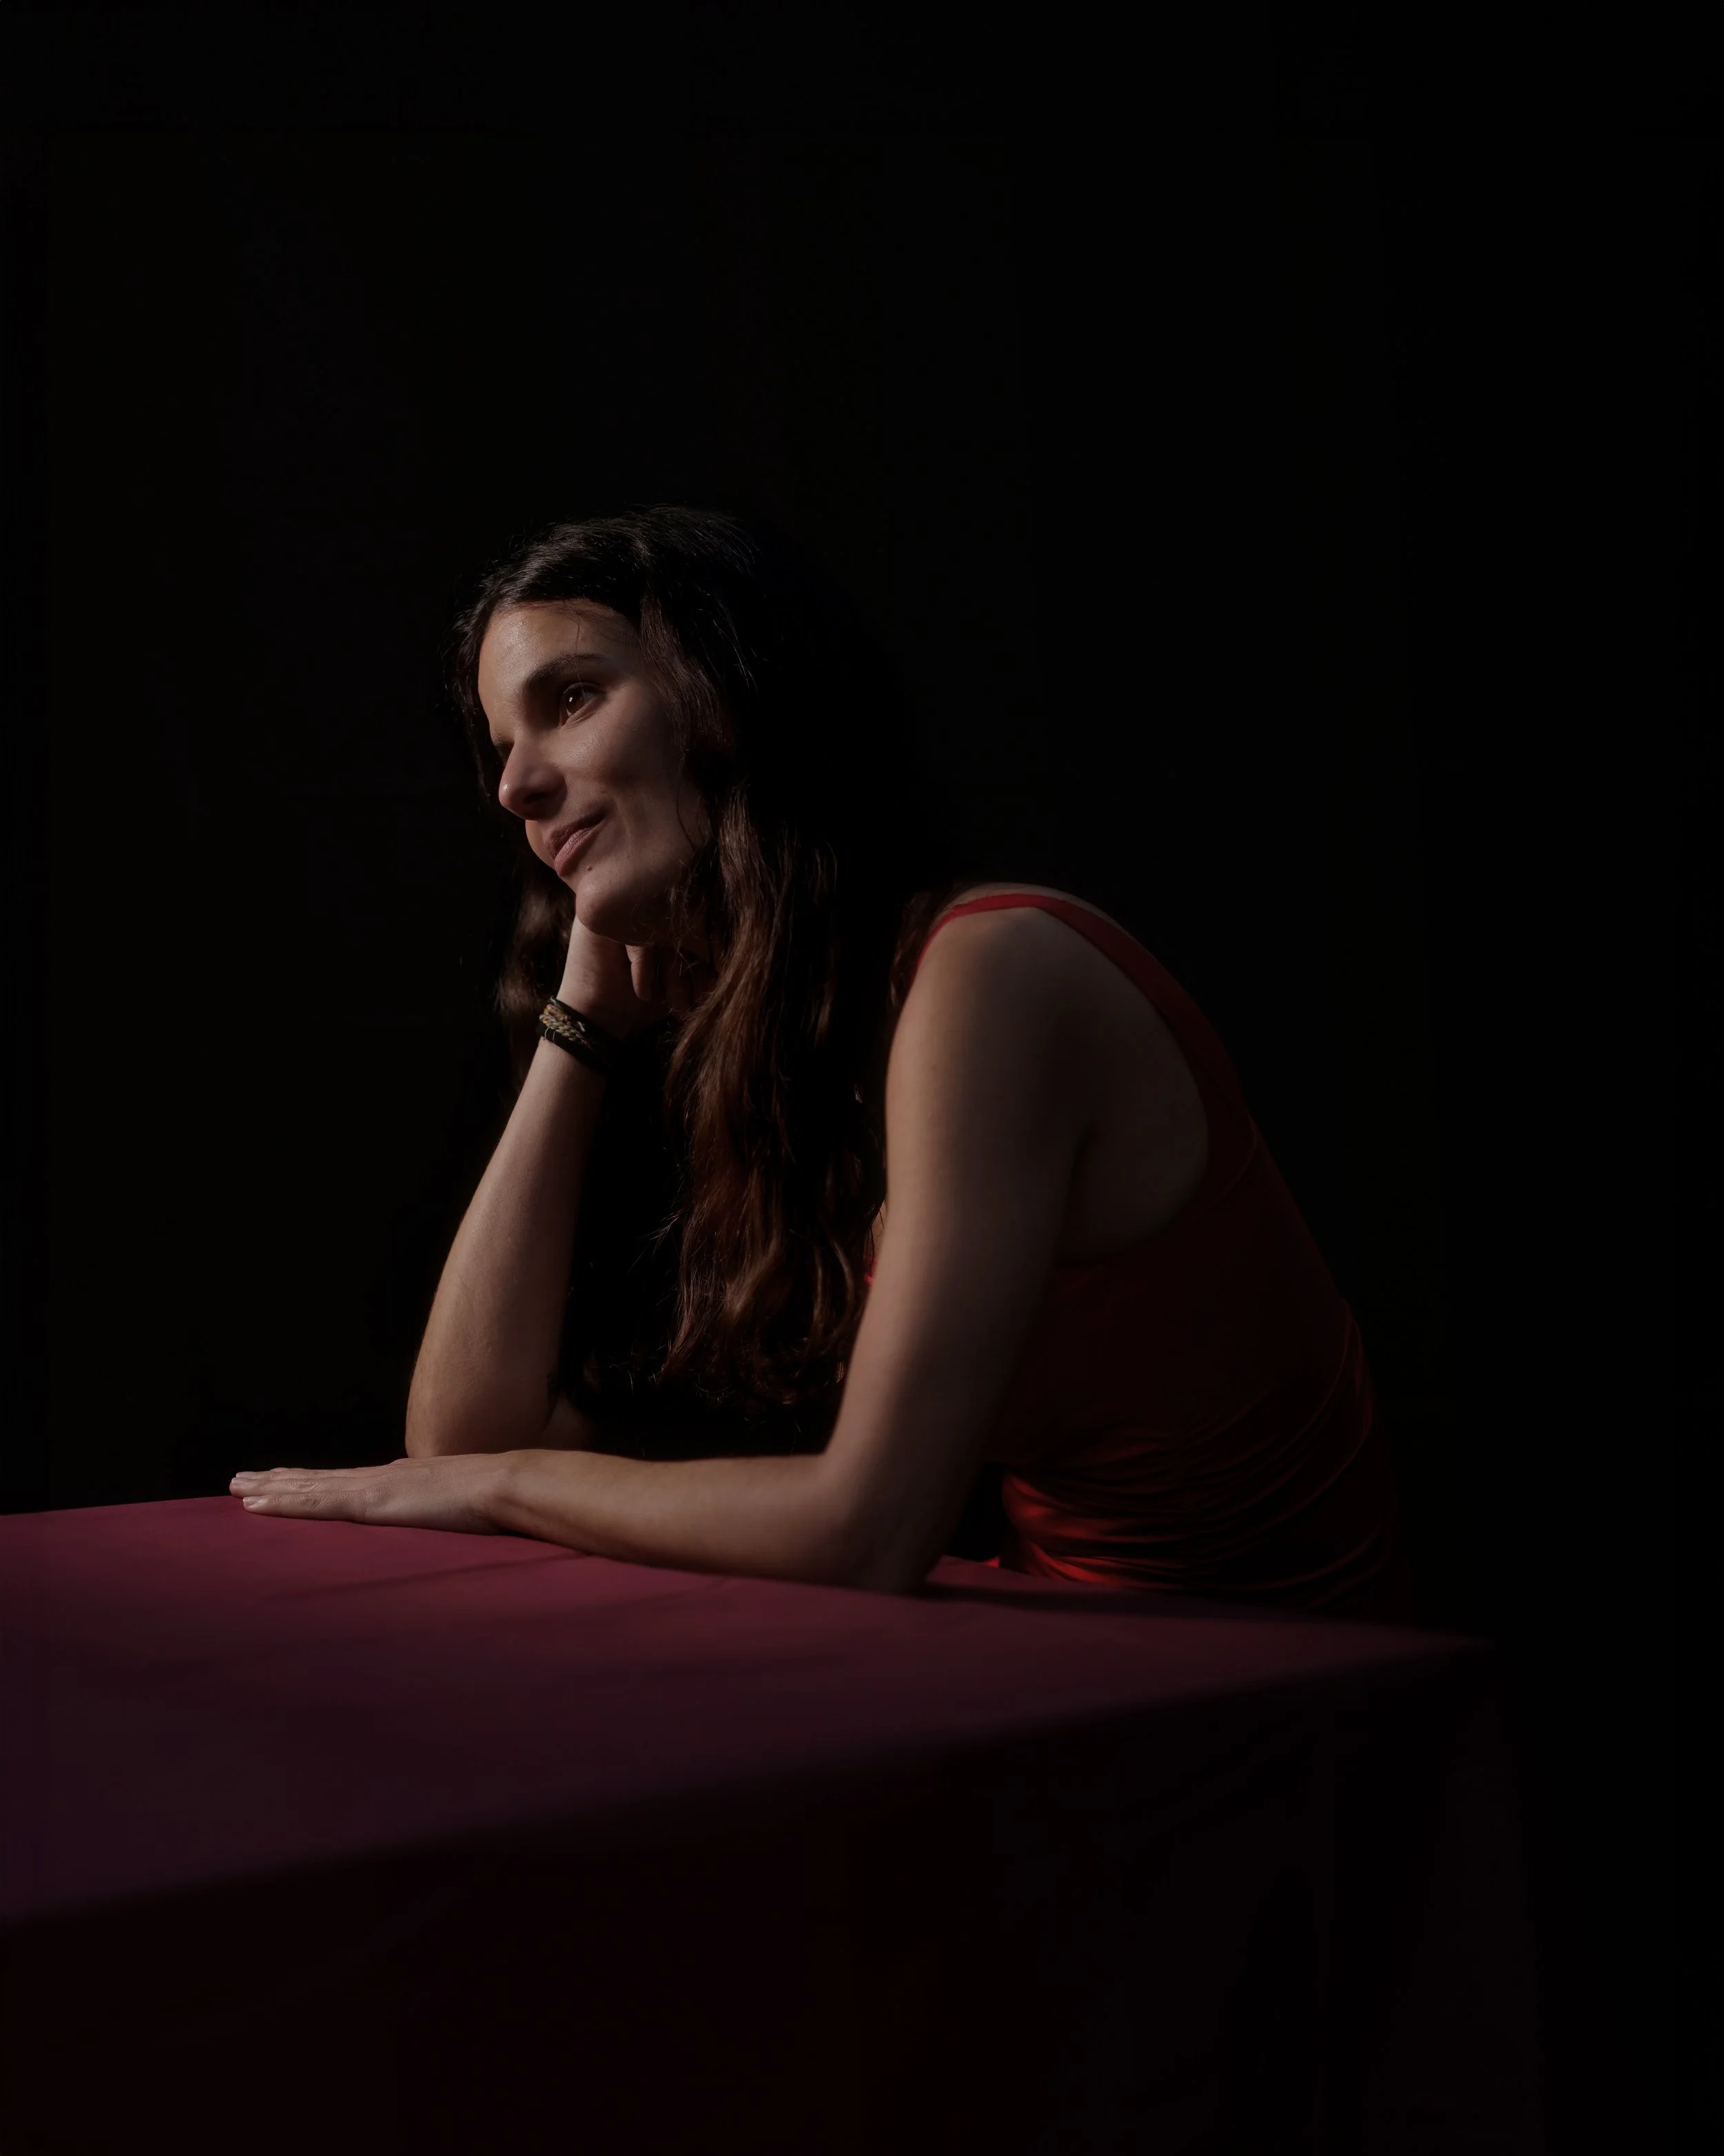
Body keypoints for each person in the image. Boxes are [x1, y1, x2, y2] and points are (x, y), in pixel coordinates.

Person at [230, 506, 1414, 1621]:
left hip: (1284, 1689)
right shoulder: (784, 1033)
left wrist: (510, 1487)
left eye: (574, 698)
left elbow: (868, 1524)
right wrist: (581, 1018)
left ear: (726, 696)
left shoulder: (997, 971)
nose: (515, 786)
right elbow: (456, 1438)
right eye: (501, 746)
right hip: (1073, 1656)